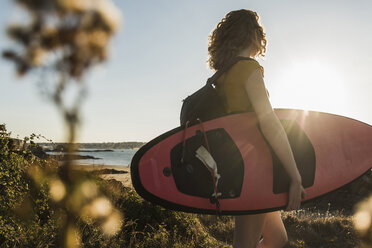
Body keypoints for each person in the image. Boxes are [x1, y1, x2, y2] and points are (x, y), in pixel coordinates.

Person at [207, 9, 306, 248]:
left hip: (235, 168)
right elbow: (269, 123)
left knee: (277, 239)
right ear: (253, 34)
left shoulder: (221, 77)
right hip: (253, 170)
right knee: (245, 244)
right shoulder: (249, 69)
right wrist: (295, 176)